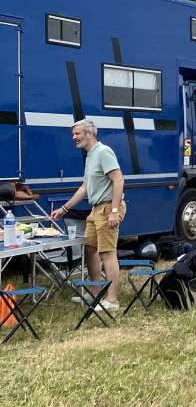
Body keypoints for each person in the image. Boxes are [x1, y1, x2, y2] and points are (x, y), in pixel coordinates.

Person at [51, 119, 126, 310]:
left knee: (107, 253)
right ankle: (95, 293)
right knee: (89, 249)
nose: (74, 137)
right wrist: (64, 209)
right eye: (73, 134)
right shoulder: (90, 156)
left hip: (108, 208)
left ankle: (112, 300)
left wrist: (114, 211)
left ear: (90, 133)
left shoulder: (103, 152)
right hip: (96, 209)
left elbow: (119, 180)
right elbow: (84, 187)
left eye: (77, 133)